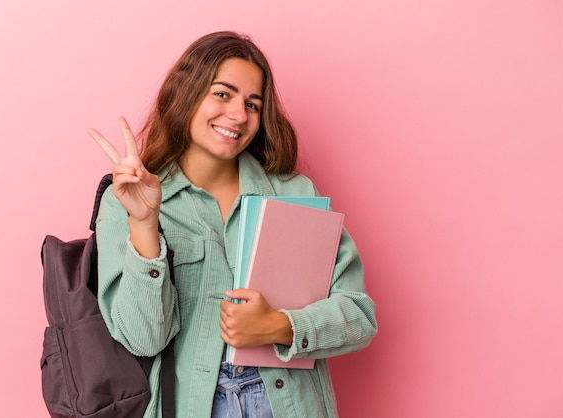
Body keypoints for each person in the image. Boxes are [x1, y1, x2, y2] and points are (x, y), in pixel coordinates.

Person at [88, 31, 377, 418]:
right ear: (186, 94)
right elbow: (143, 339)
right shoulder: (125, 201)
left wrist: (280, 326)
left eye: (253, 104)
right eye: (223, 94)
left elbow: (358, 316)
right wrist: (144, 223)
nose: (240, 115)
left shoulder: (293, 193)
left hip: (290, 405)